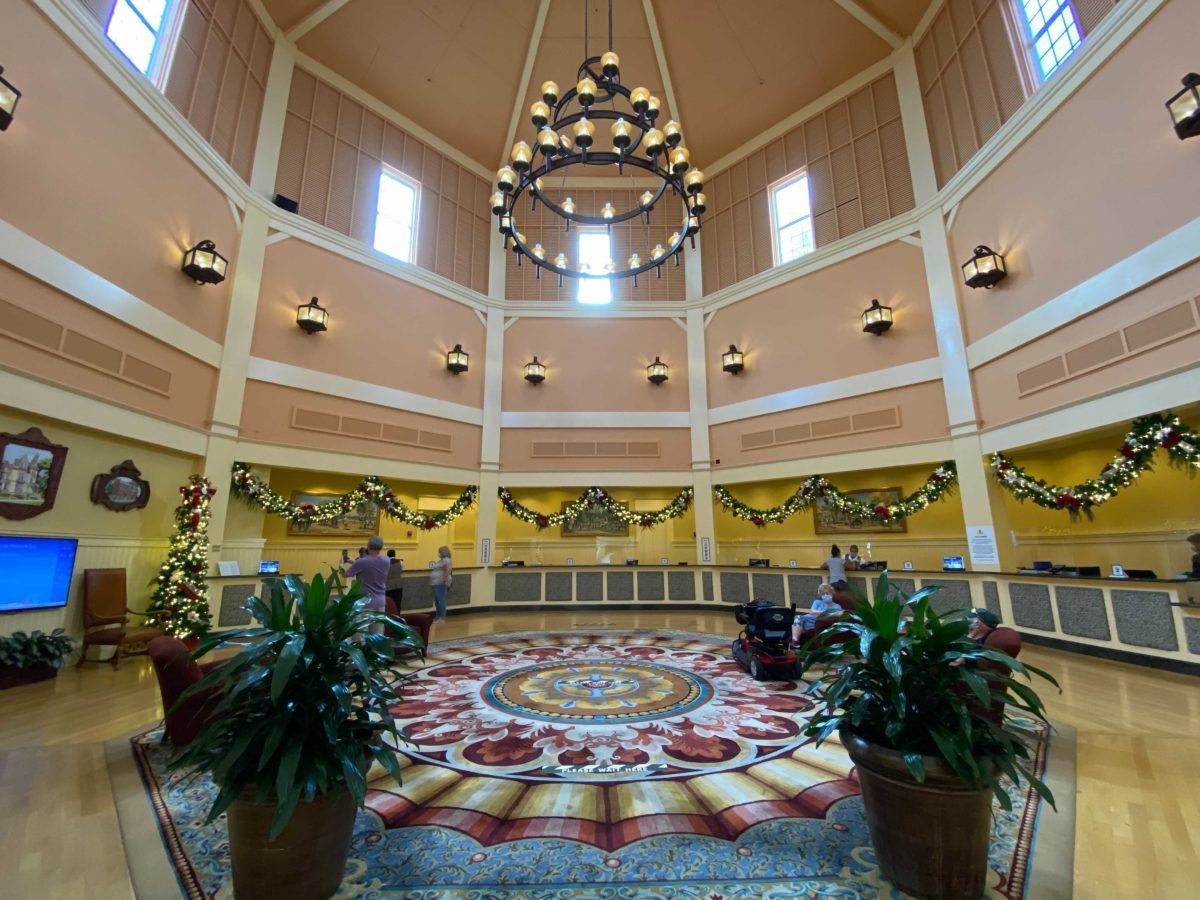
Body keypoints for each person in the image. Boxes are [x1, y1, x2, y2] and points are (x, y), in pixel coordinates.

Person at [342, 535, 390, 633]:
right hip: (380, 602)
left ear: (368, 546)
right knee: (377, 635)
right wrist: (354, 562)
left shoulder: (362, 562)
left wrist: (341, 564)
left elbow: (345, 574)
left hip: (365, 603)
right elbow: (371, 566)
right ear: (381, 547)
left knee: (361, 634)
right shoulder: (386, 560)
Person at [430, 545, 452, 622]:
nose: (438, 553)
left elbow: (447, 570)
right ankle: (438, 616)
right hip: (437, 583)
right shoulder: (441, 560)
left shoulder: (446, 560)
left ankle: (441, 617)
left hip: (441, 583)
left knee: (440, 600)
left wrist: (443, 580)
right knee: (437, 601)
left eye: (439, 552)